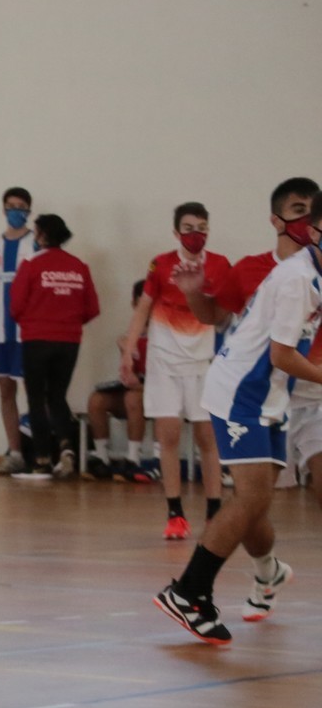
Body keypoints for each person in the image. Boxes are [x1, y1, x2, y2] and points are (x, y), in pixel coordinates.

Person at [156, 207, 322, 645]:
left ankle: (268, 572)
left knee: (257, 500)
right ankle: (188, 592)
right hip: (241, 394)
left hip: (269, 395)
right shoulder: (298, 280)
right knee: (250, 498)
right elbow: (282, 355)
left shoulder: (308, 274)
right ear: (313, 232)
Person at [119, 204, 231, 538]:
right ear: (176, 232)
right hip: (164, 362)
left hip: (203, 362)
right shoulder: (161, 264)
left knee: (207, 438)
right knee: (168, 436)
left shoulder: (220, 265)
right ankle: (175, 514)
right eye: (189, 228)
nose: (196, 234)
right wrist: (128, 352)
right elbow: (143, 308)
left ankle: (214, 511)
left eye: (202, 227)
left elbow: (226, 313)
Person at [9, 214, 99, 479]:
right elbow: (92, 308)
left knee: (36, 398)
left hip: (36, 338)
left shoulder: (31, 264)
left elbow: (15, 305)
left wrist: (33, 321)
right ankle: (66, 447)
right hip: (69, 340)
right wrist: (69, 323)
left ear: (43, 235)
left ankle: (42, 460)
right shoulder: (79, 266)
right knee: (57, 396)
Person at [177, 178, 320, 328]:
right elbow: (212, 315)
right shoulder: (247, 268)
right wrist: (192, 293)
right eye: (299, 210)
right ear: (277, 221)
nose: (310, 218)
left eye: (315, 212)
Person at [0, 188, 36, 473]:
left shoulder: (35, 244)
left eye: (21, 206)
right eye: (11, 206)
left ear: (29, 211)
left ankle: (41, 453)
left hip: (27, 332)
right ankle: (15, 452)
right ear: (3, 209)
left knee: (33, 389)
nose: (16, 211)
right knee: (5, 389)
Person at [85, 282, 152, 482]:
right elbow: (128, 373)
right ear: (134, 304)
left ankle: (133, 459)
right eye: (140, 305)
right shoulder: (129, 337)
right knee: (97, 400)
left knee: (132, 397)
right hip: (136, 391)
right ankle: (102, 458)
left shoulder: (163, 335)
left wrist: (138, 386)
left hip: (156, 395)